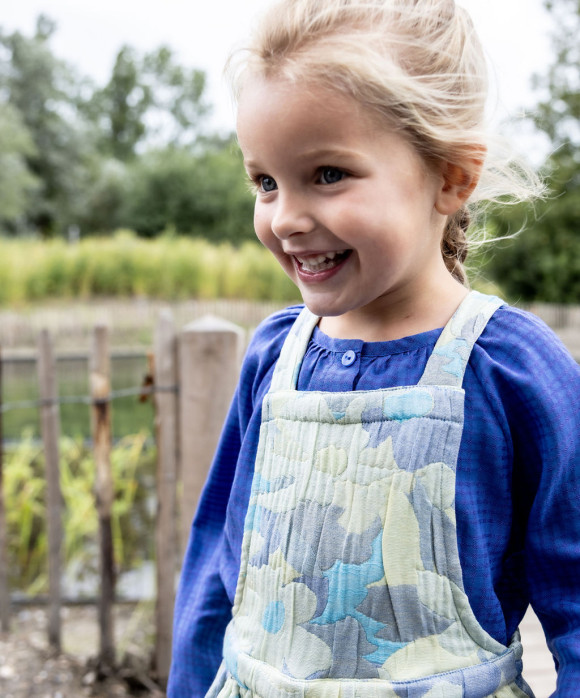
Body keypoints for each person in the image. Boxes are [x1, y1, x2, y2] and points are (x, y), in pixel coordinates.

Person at [168, 0, 580, 695]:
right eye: (265, 181)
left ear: (452, 176)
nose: (287, 218)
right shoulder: (276, 360)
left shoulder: (511, 370)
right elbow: (219, 576)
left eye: (327, 174)